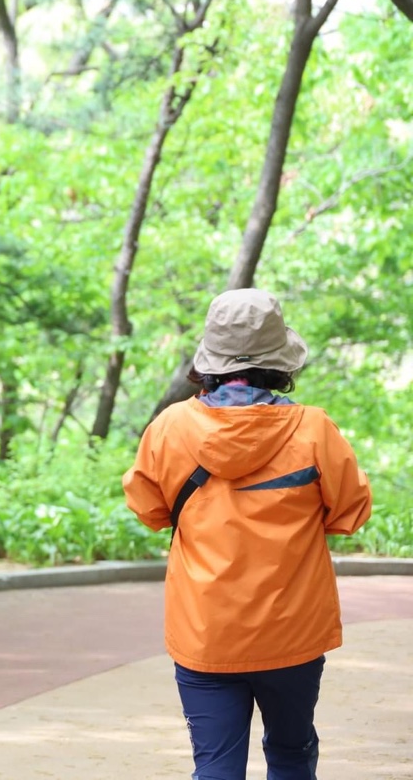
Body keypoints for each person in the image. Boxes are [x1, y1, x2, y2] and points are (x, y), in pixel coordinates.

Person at [123, 288, 373, 780]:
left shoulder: (169, 428)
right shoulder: (314, 430)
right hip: (293, 632)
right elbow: (351, 511)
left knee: (215, 765)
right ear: (280, 361)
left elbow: (150, 510)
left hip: (206, 632)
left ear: (210, 361)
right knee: (292, 753)